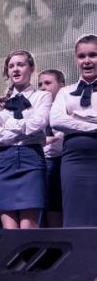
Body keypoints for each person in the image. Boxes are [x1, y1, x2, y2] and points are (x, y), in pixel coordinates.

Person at [0, 50, 51, 229]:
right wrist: (22, 130)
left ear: (31, 68)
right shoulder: (0, 103)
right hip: (5, 161)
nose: (15, 69)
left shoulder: (42, 96)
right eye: (11, 66)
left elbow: (38, 124)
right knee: (9, 231)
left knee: (28, 228)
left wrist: (8, 125)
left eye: (20, 65)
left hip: (31, 159)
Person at [50, 34, 97, 227]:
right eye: (81, 56)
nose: (87, 61)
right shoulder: (65, 92)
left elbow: (66, 121)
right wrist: (93, 125)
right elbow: (56, 120)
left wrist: (75, 118)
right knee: (75, 211)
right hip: (74, 160)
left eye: (93, 55)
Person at [38, 69, 65, 228]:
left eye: (48, 83)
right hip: (40, 161)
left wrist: (44, 140)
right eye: (40, 84)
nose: (43, 87)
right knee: (42, 207)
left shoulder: (65, 106)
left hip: (59, 161)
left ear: (62, 85)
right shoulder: (37, 109)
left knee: (56, 206)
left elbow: (60, 136)